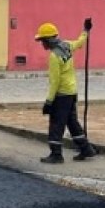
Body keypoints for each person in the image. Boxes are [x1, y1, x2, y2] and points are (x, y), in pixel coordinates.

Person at [35, 20, 97, 164]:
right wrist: (85, 30)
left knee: (56, 124)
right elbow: (80, 42)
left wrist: (49, 102)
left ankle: (56, 154)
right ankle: (86, 149)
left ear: (49, 40)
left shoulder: (54, 57)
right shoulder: (67, 46)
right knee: (72, 122)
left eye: (42, 41)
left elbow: (54, 82)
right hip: (72, 92)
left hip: (61, 95)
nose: (41, 44)